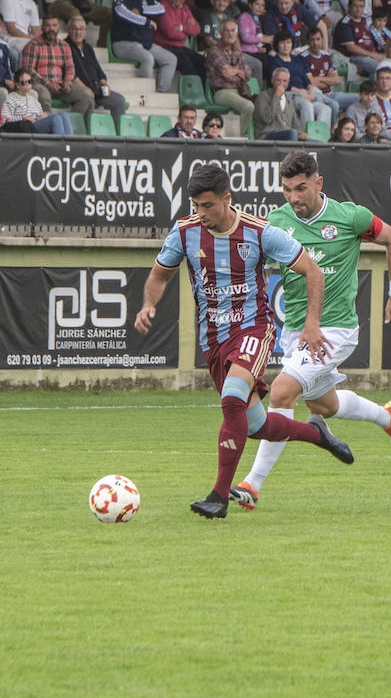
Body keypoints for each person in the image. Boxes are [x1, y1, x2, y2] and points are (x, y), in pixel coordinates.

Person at [133, 162, 350, 519]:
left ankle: (218, 497)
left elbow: (312, 270)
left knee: (233, 399)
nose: (200, 214)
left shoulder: (260, 232)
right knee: (255, 425)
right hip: (214, 340)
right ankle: (316, 434)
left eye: (207, 206)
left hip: (253, 329)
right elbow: (160, 274)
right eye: (195, 206)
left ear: (226, 199)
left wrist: (312, 324)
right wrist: (148, 305)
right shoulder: (185, 233)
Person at [229, 150, 391, 507]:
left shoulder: (349, 217)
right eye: (288, 190)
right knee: (324, 405)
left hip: (334, 330)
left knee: (280, 393)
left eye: (301, 188)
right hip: (296, 331)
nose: (295, 198)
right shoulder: (276, 220)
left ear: (318, 183)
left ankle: (251, 485)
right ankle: (387, 416)